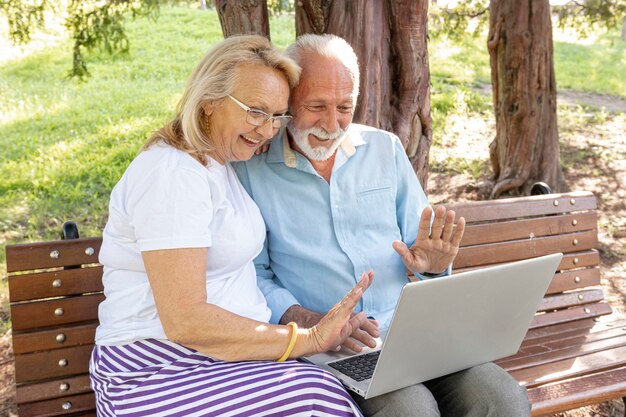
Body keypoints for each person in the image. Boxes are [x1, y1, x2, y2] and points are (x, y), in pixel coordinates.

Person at [233, 34, 531, 416]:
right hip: (334, 348)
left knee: (502, 398)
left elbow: (423, 255)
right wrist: (308, 321)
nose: (331, 124)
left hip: (415, 334)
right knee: (411, 410)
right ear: (288, 100)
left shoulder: (384, 149)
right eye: (316, 106)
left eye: (344, 107)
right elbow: (253, 274)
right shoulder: (252, 172)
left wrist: (434, 266)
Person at [90, 34, 373, 417]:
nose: (268, 130)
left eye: (277, 116)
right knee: (314, 397)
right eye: (255, 111)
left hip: (224, 361)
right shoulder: (172, 173)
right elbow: (185, 321)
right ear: (208, 102)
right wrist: (305, 339)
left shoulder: (219, 164)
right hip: (158, 368)